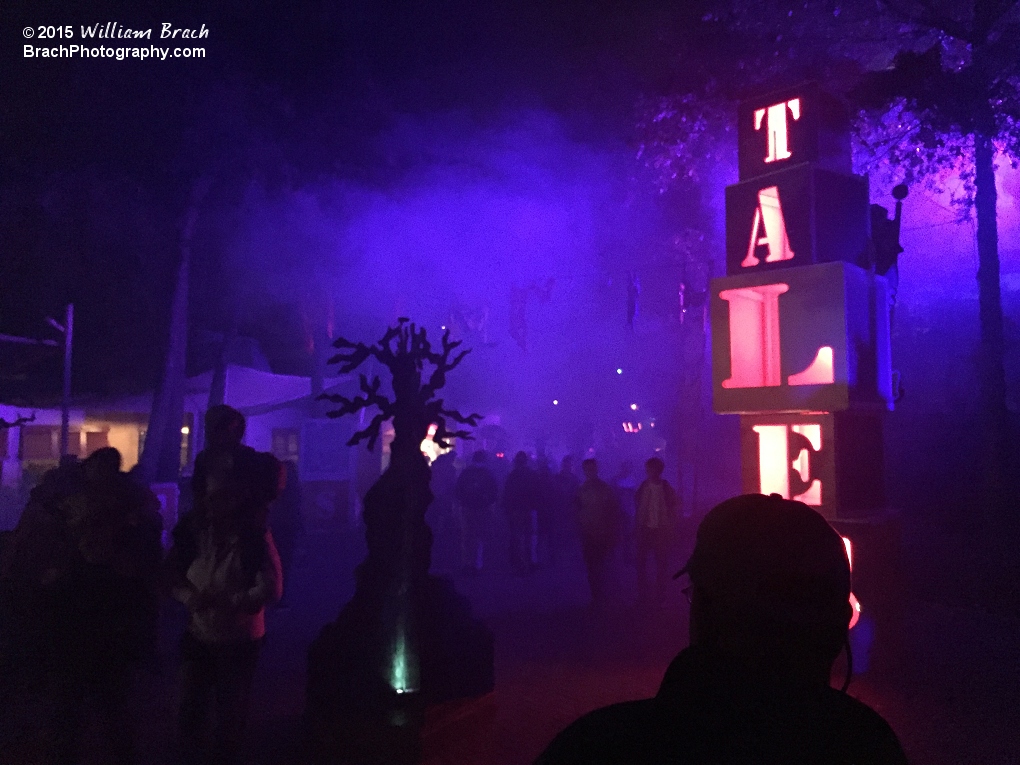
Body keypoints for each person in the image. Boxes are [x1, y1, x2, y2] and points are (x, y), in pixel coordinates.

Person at [536, 493, 909, 764]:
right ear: (835, 627)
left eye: (693, 594)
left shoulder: (599, 746)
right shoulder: (868, 745)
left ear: (705, 609)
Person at [167, 453, 284, 765]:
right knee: (189, 709)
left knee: (229, 715)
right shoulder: (193, 532)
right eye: (211, 497)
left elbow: (272, 587)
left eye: (224, 497)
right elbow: (171, 573)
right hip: (198, 633)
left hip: (239, 638)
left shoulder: (253, 536)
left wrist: (231, 602)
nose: (215, 504)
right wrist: (189, 598)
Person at [573, 459, 622, 606]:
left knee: (601, 565)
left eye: (592, 469)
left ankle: (602, 596)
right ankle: (597, 596)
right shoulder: (581, 490)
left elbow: (613, 511)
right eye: (588, 470)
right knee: (592, 566)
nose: (590, 472)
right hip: (588, 533)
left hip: (602, 533)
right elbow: (576, 511)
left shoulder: (604, 489)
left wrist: (613, 531)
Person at [633, 456, 680, 604]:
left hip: (660, 530)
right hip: (646, 529)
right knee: (643, 563)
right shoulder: (645, 486)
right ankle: (644, 594)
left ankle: (659, 594)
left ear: (657, 470)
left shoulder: (664, 487)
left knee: (660, 563)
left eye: (650, 469)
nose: (648, 472)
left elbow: (674, 505)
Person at [455, 451, 499, 574]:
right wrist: (489, 503)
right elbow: (494, 490)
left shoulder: (466, 473)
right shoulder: (488, 474)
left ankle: (466, 563)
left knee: (467, 536)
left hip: (467, 507)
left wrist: (461, 502)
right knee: (480, 534)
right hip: (482, 508)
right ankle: (478, 562)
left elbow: (458, 489)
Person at [269, 459, 302, 608]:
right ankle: (280, 596)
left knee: (274, 563)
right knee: (284, 564)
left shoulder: (276, 490)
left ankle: (274, 595)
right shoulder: (294, 490)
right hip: (288, 529)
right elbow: (298, 511)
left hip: (278, 528)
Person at [502, 452, 541, 575]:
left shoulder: (512, 475)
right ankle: (530, 561)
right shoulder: (532, 475)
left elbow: (507, 493)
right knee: (530, 536)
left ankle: (518, 561)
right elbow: (538, 493)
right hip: (529, 510)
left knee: (517, 536)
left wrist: (507, 509)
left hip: (516, 510)